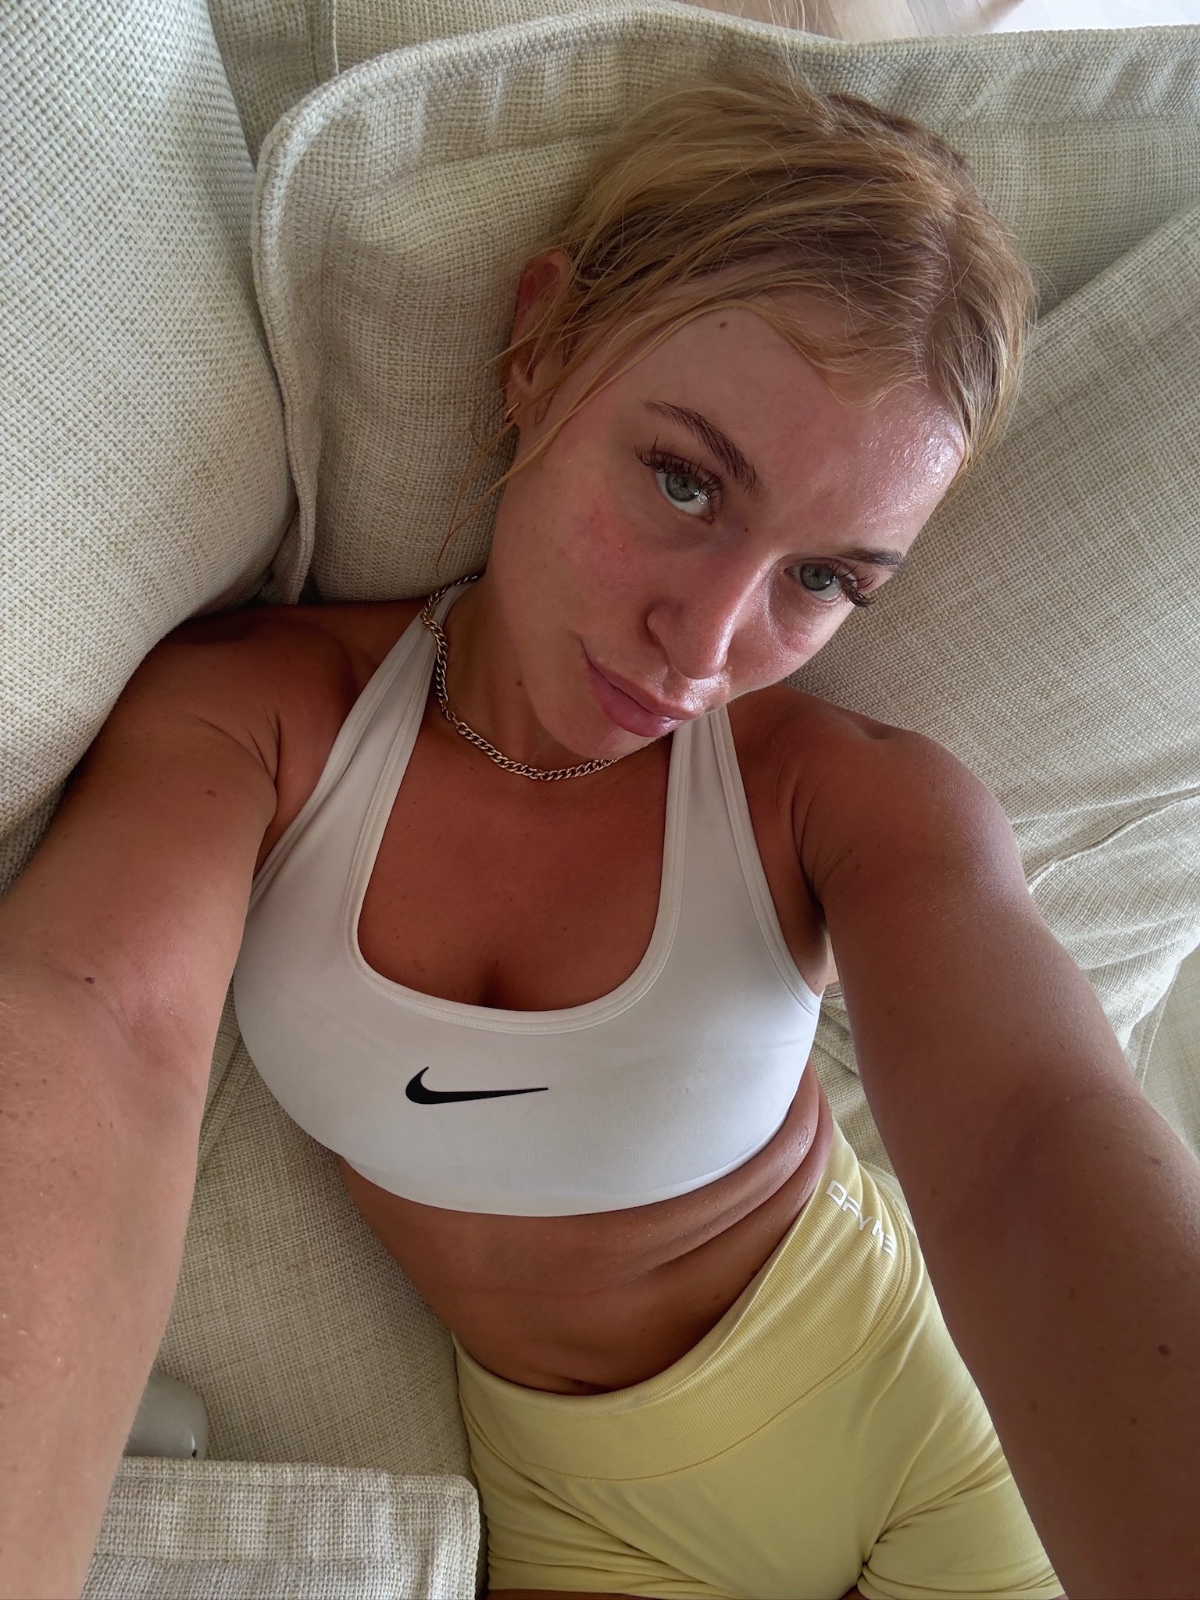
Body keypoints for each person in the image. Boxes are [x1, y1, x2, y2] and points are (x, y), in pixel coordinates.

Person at [1, 67, 1198, 1600]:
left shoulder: (843, 800)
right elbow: (98, 1037)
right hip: (577, 1512)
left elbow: (1031, 1147)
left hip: (930, 1434)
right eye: (686, 481)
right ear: (541, 346)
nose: (705, 643)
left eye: (824, 579)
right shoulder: (266, 718)